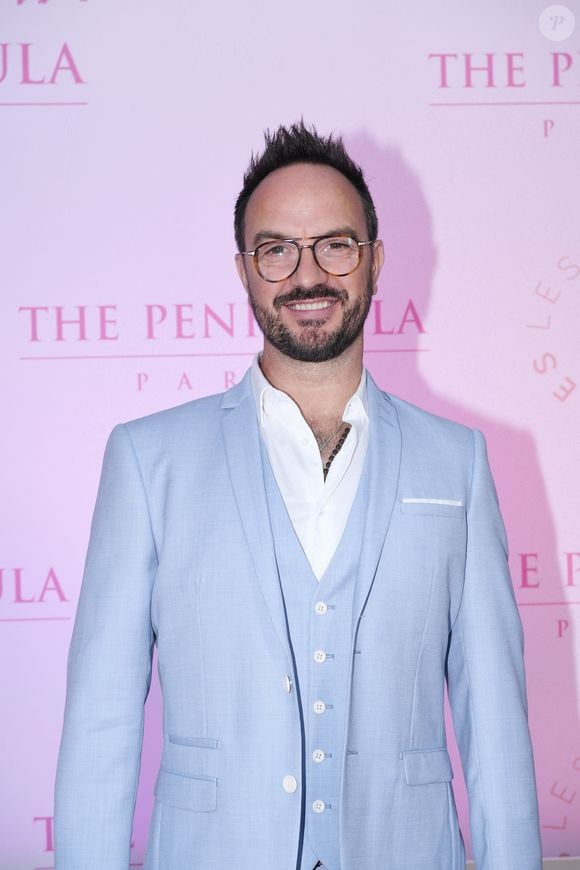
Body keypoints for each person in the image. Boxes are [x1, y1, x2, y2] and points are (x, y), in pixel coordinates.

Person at [54, 122, 542, 870]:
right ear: (246, 271)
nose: (307, 275)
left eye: (335, 244)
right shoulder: (148, 461)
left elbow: (497, 727)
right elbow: (100, 723)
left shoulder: (459, 463)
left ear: (375, 260)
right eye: (277, 248)